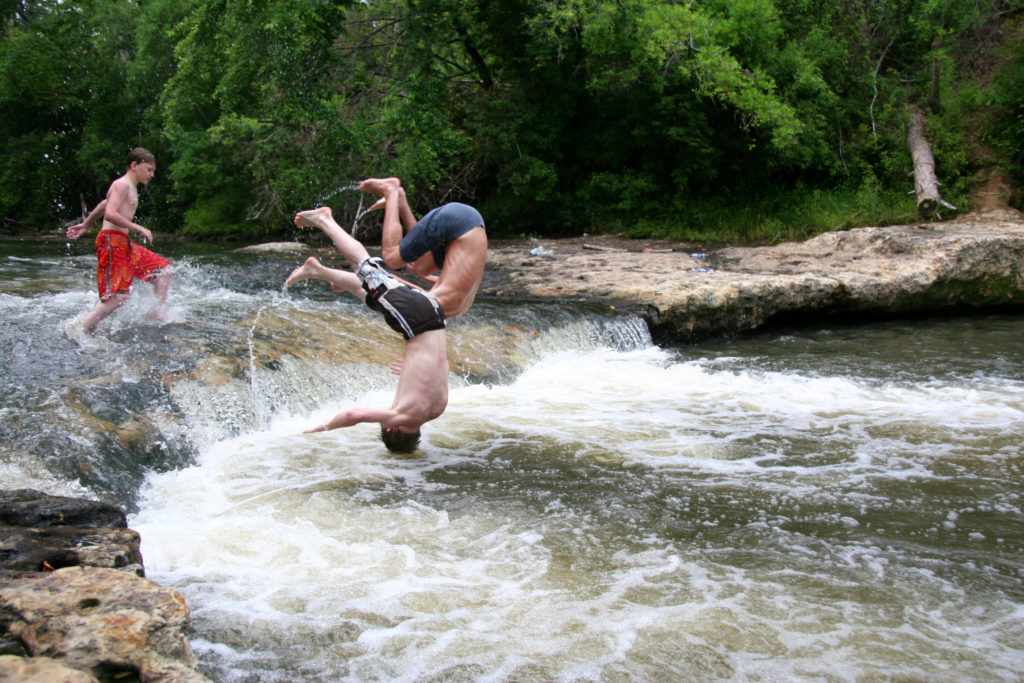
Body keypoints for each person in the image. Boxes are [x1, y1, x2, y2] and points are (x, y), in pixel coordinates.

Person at [287, 206, 449, 453]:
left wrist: (412, 367)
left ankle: (317, 270)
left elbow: (442, 367)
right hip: (416, 320)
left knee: (377, 296)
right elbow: (355, 414)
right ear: (391, 430)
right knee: (365, 266)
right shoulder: (400, 416)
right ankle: (325, 219)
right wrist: (325, 427)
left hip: (435, 315)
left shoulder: (437, 409)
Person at [65, 147, 174, 333]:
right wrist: (138, 227)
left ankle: (156, 314)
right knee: (118, 298)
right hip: (111, 242)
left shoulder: (128, 186)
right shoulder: (122, 184)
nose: (152, 174)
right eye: (148, 169)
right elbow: (110, 214)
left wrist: (86, 224)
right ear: (134, 165)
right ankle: (81, 329)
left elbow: (105, 204)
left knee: (163, 270)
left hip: (122, 242)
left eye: (153, 170)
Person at [357, 177, 486, 319]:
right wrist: (362, 278)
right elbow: (393, 285)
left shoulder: (454, 306)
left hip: (469, 228)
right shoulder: (433, 307)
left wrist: (424, 277)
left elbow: (457, 281)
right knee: (391, 258)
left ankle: (401, 202)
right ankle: (391, 191)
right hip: (458, 224)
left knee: (420, 267)